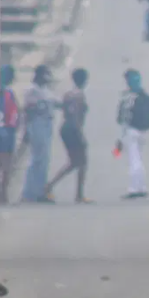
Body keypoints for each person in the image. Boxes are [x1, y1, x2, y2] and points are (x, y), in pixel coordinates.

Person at [46, 68, 91, 203]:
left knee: (74, 162)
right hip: (73, 129)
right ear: (84, 80)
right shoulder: (79, 95)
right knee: (82, 162)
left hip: (65, 128)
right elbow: (76, 116)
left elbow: (64, 109)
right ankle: (78, 194)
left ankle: (50, 186)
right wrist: (80, 134)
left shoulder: (68, 94)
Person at [116, 68, 149, 199]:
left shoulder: (127, 97)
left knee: (133, 160)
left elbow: (123, 119)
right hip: (143, 131)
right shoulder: (144, 95)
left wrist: (121, 138)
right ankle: (142, 187)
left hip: (131, 131)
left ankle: (133, 188)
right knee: (139, 159)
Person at [20, 66, 57, 203]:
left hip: (47, 125)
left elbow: (57, 103)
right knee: (36, 160)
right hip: (36, 125)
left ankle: (41, 192)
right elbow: (28, 111)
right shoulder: (32, 90)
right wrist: (26, 130)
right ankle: (28, 193)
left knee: (44, 160)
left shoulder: (46, 91)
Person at [0, 65, 20, 203]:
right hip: (3, 130)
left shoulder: (6, 92)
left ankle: (0, 191)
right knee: (3, 162)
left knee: (2, 162)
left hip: (7, 129)